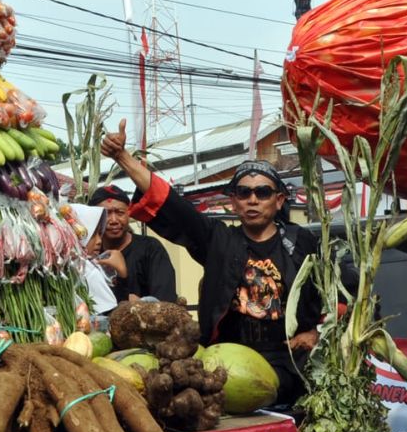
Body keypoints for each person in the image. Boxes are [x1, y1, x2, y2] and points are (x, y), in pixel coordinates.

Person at [102, 119, 328, 404]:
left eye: (263, 192)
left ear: (279, 200)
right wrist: (122, 156)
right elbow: (173, 205)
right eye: (244, 192)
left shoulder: (302, 242)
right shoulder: (219, 240)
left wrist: (317, 332)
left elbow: (342, 293)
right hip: (225, 365)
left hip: (291, 363)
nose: (253, 199)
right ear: (234, 201)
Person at [86, 184, 178, 304]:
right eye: (106, 214)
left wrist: (141, 305)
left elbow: (165, 301)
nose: (114, 220)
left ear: (128, 213)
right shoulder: (89, 254)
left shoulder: (150, 249)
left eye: (120, 213)